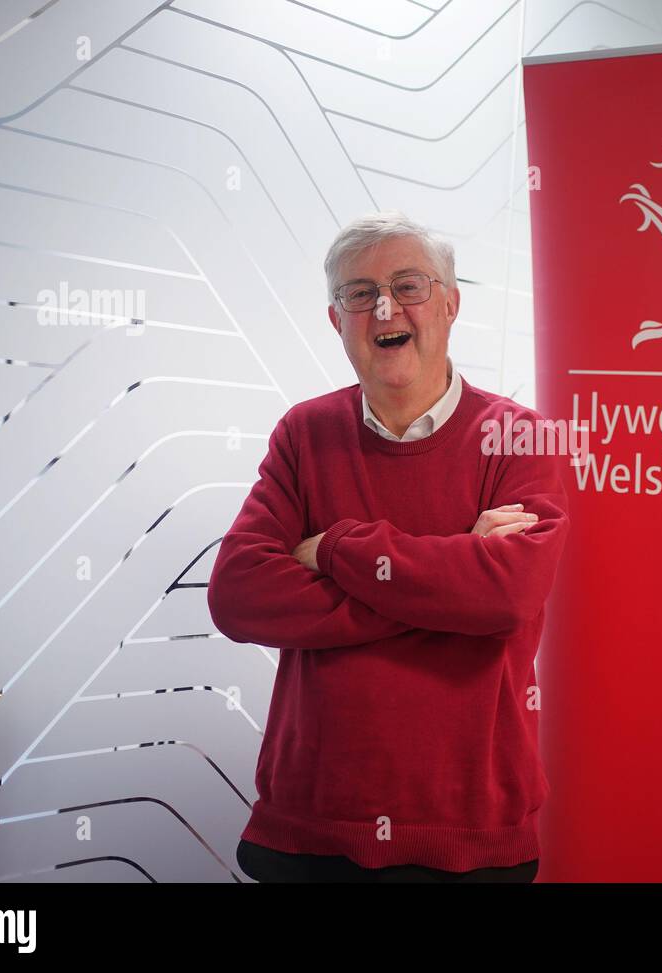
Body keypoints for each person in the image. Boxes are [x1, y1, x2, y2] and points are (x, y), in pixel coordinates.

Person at [207, 211, 570, 883]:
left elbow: (508, 593)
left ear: (451, 304)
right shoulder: (304, 434)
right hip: (309, 824)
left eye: (409, 285)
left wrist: (337, 547)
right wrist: (452, 570)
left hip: (471, 827)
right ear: (335, 319)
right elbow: (237, 595)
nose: (384, 307)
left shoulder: (521, 437)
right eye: (358, 292)